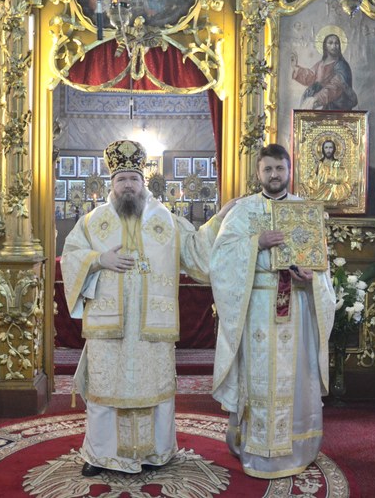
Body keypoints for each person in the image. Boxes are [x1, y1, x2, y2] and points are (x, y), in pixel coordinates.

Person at [61, 139, 233, 476]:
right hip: (109, 328)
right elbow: (70, 258)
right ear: (112, 183)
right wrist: (99, 259)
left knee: (153, 390)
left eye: (133, 179)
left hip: (151, 327)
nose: (128, 185)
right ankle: (100, 455)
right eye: (121, 179)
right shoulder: (92, 222)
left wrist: (220, 220)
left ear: (143, 183)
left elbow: (197, 253)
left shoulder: (166, 220)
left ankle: (155, 453)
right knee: (105, 390)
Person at [210, 143, 336, 478]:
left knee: (296, 378)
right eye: (268, 169)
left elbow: (321, 267)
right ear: (258, 173)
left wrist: (311, 278)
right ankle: (255, 448)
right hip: (256, 309)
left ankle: (296, 448)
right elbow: (220, 259)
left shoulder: (305, 211)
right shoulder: (242, 211)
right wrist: (257, 243)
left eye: (280, 168)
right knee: (258, 379)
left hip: (296, 306)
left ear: (289, 171)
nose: (274, 174)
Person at [290, 33, 358, 110]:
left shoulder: (341, 65)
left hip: (338, 106)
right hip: (324, 104)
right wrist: (295, 67)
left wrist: (316, 98)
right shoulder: (321, 64)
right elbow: (311, 76)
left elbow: (336, 86)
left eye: (336, 43)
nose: (334, 46)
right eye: (330, 43)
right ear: (325, 46)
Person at [308, 139, 352, 203]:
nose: (328, 150)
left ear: (334, 149)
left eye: (330, 147)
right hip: (320, 191)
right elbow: (312, 180)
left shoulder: (338, 164)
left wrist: (330, 178)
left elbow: (344, 177)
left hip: (335, 191)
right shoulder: (319, 165)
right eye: (326, 148)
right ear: (323, 149)